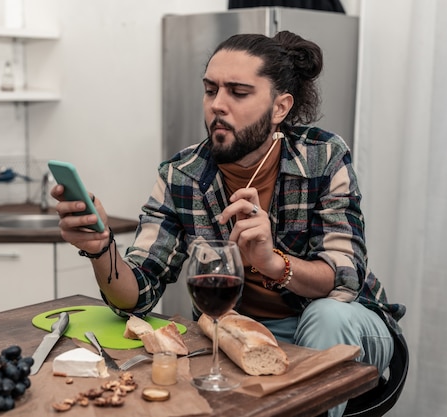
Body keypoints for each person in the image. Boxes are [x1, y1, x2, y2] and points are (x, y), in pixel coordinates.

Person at [51, 30, 406, 416]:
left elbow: (344, 276)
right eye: (210, 90)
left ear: (280, 107)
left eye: (238, 92)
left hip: (347, 324)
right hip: (242, 334)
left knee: (326, 316)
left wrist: (273, 263)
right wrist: (101, 248)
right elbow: (138, 293)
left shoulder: (323, 156)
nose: (217, 105)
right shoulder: (182, 174)